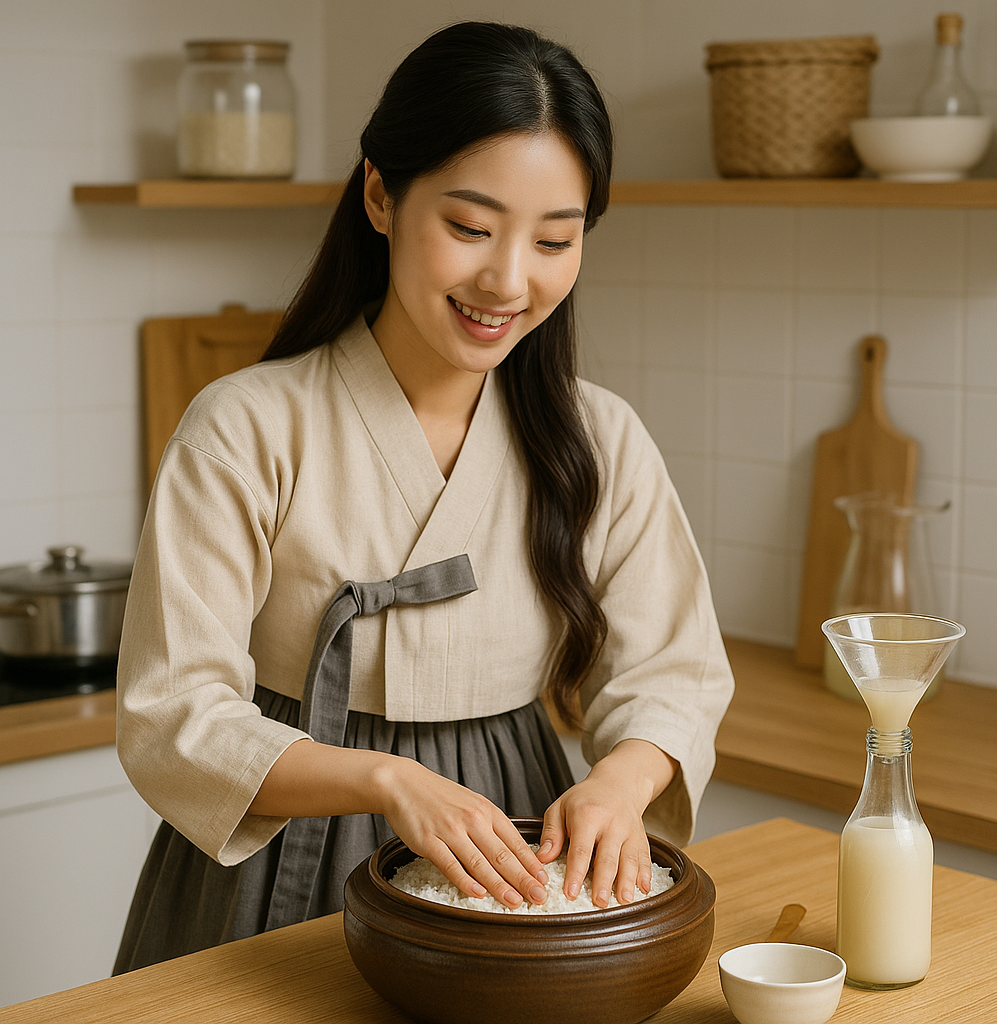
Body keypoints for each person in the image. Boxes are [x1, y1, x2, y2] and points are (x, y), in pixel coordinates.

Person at [113, 21, 734, 973]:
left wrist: (619, 782)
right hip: (278, 836)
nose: (508, 280)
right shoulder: (243, 425)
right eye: (471, 227)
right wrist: (384, 779)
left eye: (555, 240)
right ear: (379, 196)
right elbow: (173, 712)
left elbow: (674, 672)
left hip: (516, 843)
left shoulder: (597, 437)